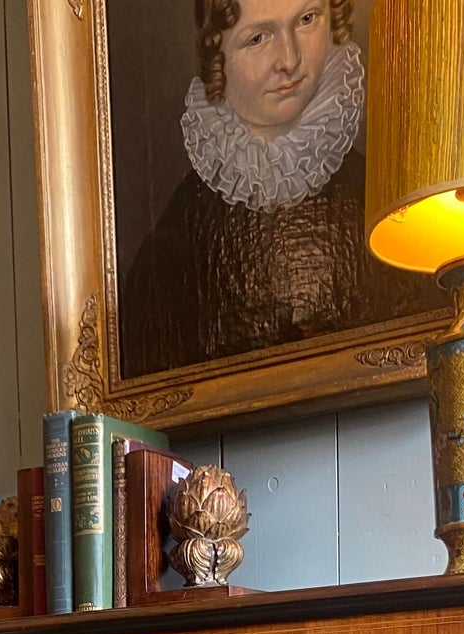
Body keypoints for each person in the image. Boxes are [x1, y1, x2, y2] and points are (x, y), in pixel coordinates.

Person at [120, 0, 431, 379]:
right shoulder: (177, 235)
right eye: (257, 38)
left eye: (306, 19)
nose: (289, 59)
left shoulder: (382, 199)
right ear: (218, 56)